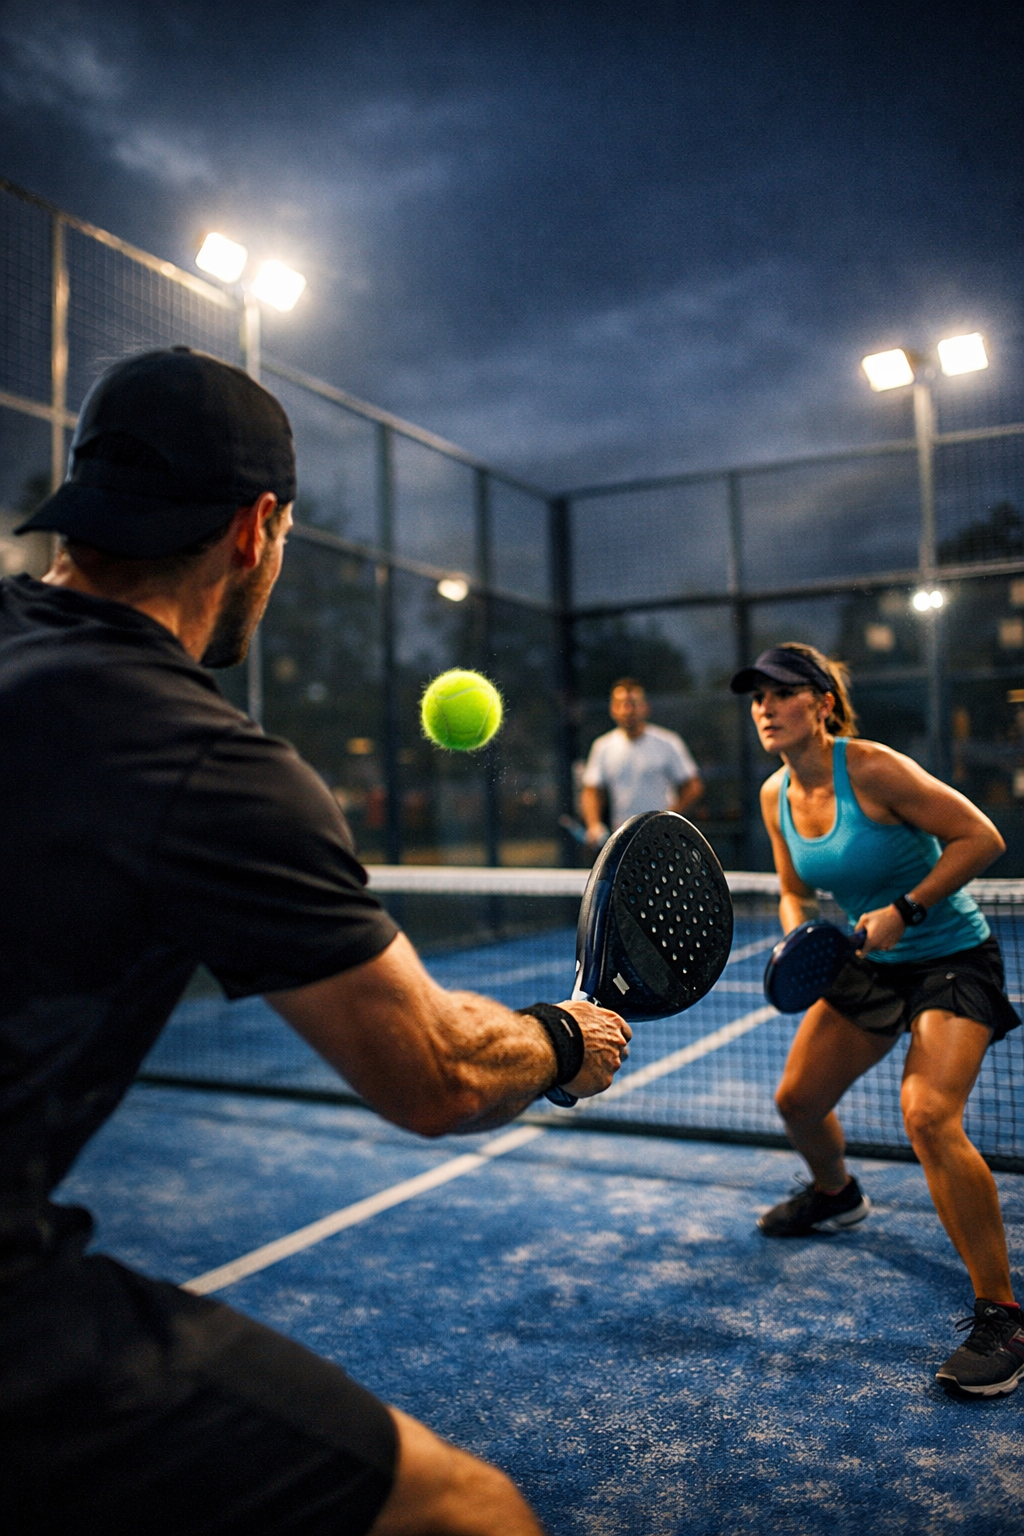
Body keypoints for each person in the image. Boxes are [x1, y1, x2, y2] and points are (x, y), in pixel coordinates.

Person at [0, 348, 631, 1534]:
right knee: (468, 1510)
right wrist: (558, 1038)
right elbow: (435, 1076)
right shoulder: (208, 765)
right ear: (256, 529)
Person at [731, 642, 1024, 1398]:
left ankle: (1005, 1316)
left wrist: (907, 908)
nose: (765, 707)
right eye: (756, 696)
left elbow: (982, 838)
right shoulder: (776, 796)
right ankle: (836, 1194)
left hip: (949, 956)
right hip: (868, 960)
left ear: (822, 703)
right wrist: (800, 934)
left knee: (928, 1115)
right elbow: (793, 886)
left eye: (781, 693)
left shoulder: (873, 768)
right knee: (796, 1101)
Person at [580, 678, 703, 847]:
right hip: (622, 842)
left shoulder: (668, 742)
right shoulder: (602, 747)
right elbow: (591, 791)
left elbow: (693, 786)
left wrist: (668, 819)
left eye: (633, 704)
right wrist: (593, 825)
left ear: (645, 707)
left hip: (665, 840)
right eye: (621, 704)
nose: (628, 710)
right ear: (613, 709)